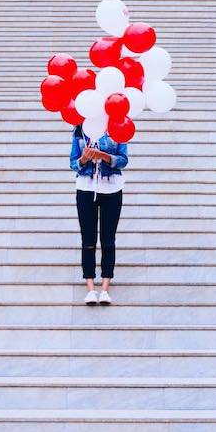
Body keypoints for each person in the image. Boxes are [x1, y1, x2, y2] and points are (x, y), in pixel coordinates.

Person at [69, 122, 129, 305]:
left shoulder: (118, 127)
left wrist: (104, 156)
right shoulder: (79, 131)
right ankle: (90, 289)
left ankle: (104, 288)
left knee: (108, 240)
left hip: (112, 189)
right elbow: (73, 162)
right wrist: (84, 160)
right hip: (86, 189)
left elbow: (124, 159)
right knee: (88, 240)